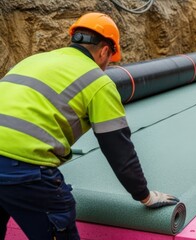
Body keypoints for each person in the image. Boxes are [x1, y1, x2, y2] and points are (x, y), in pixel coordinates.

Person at [0, 12, 179, 239]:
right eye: (109, 59)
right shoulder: (98, 81)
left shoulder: (33, 60)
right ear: (105, 50)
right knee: (58, 215)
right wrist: (144, 196)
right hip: (25, 171)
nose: (106, 66)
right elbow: (118, 148)